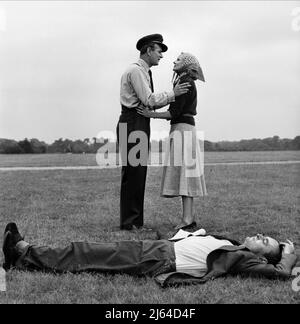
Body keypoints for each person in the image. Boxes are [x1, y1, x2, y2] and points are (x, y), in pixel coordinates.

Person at [3, 223, 297, 287]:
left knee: (88, 253)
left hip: (158, 259)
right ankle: (25, 252)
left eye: (265, 242)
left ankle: (23, 252)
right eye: (263, 235)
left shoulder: (246, 258)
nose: (260, 236)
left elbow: (282, 273)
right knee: (92, 251)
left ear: (262, 257)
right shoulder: (235, 244)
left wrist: (289, 254)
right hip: (157, 249)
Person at [117, 34, 191, 231]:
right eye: (159, 51)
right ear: (148, 50)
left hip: (139, 121)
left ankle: (134, 221)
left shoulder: (143, 71)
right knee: (134, 172)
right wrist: (173, 94)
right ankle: (130, 222)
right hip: (133, 121)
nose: (161, 56)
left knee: (137, 171)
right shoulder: (136, 71)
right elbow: (149, 99)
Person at [137, 52, 207, 230]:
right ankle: (188, 217)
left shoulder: (184, 82)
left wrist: (150, 114)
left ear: (185, 64)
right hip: (183, 129)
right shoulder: (184, 81)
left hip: (183, 129)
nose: (174, 62)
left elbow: (173, 113)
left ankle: (187, 219)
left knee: (185, 173)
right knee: (186, 174)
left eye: (178, 60)